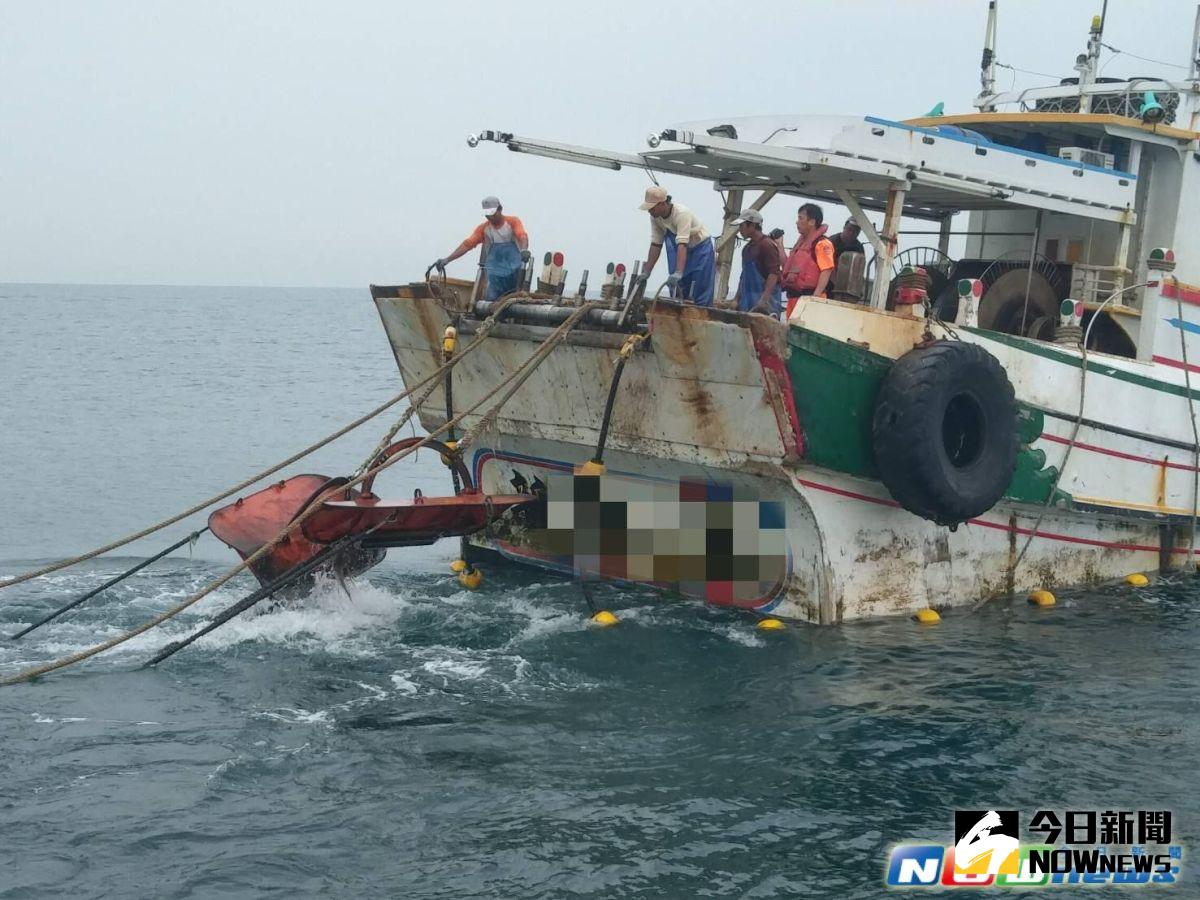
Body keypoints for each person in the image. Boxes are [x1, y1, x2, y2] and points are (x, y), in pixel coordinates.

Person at [432, 196, 531, 301]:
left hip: (515, 274)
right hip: (495, 276)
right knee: (491, 300)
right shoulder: (484, 229)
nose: (490, 217)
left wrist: (524, 250)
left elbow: (522, 236)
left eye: (493, 214)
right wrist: (447, 259)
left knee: (515, 299)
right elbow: (467, 244)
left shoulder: (512, 222)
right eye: (488, 215)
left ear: (500, 209)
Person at [639, 185, 715, 305]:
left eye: (652, 208)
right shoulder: (655, 217)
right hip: (679, 249)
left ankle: (701, 314)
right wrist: (647, 271)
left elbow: (682, 244)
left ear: (662, 203)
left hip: (699, 249)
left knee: (700, 286)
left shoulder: (681, 213)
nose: (649, 211)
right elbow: (656, 244)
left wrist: (679, 272)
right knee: (678, 289)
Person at [781, 202, 835, 318]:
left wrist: (814, 298)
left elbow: (826, 270)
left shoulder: (822, 244)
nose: (797, 222)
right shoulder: (800, 245)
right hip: (793, 299)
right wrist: (779, 245)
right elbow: (787, 268)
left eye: (801, 218)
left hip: (810, 299)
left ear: (812, 222)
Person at [731, 209, 782, 316]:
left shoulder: (767, 245)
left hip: (766, 301)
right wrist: (736, 299)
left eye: (742, 226)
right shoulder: (747, 249)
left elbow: (774, 274)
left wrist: (764, 299)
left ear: (752, 226)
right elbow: (743, 276)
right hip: (748, 299)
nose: (740, 230)